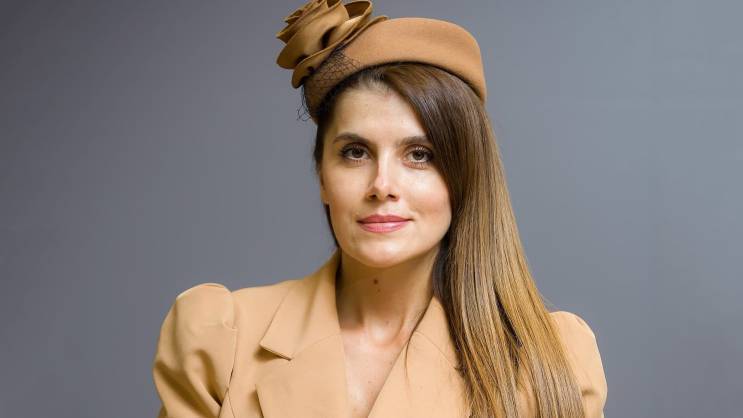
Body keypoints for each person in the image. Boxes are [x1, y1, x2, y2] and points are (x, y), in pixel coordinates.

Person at [151, 1, 608, 417]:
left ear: (465, 177)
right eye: (355, 152)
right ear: (322, 175)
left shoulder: (552, 362)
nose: (382, 186)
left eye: (419, 155)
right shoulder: (222, 340)